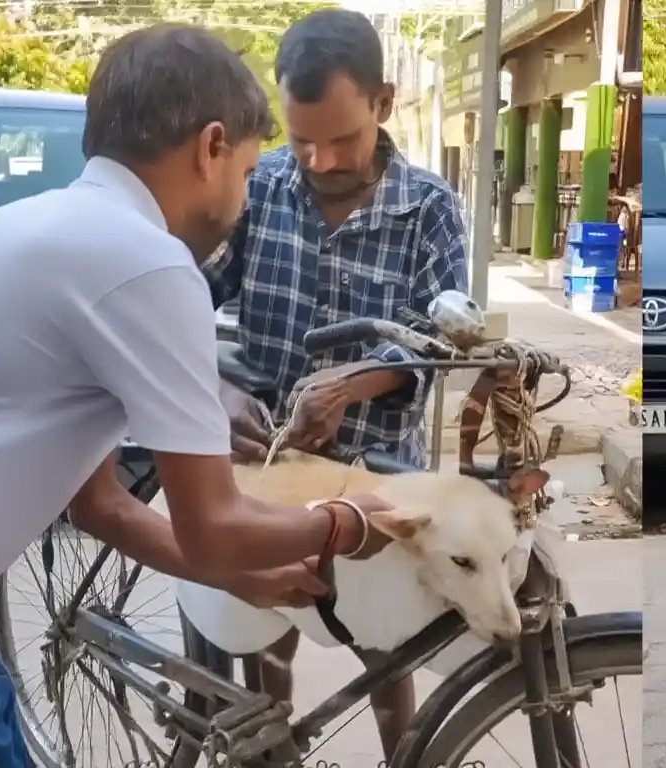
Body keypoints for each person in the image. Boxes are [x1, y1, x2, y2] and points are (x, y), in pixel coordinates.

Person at [0, 25, 396, 767]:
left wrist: (225, 569)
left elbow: (96, 503)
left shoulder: (32, 229)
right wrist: (349, 524)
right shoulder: (148, 263)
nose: (241, 199)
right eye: (249, 170)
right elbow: (213, 522)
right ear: (212, 147)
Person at [201, 8, 469, 759]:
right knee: (270, 634)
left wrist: (354, 382)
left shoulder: (429, 210)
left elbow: (437, 348)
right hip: (268, 472)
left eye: (341, 138)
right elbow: (182, 295)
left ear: (384, 104)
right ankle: (271, 749)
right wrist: (215, 391)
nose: (318, 160)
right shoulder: (259, 190)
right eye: (301, 139)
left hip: (378, 481)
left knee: (388, 647)